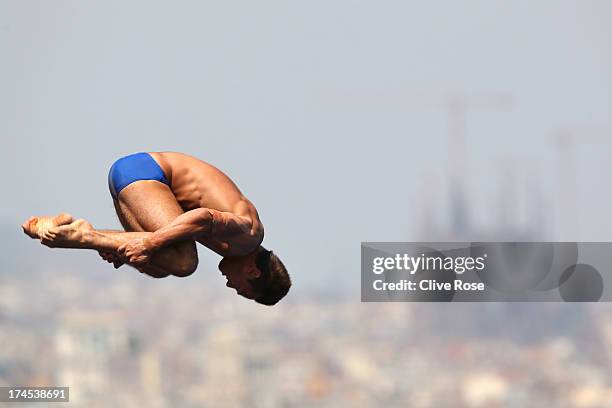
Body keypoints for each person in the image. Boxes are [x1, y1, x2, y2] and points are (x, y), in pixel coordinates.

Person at [22, 152, 291, 306]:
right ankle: (84, 235)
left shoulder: (237, 246)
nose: (231, 286)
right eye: (241, 289)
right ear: (253, 271)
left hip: (136, 175)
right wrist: (148, 244)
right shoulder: (249, 236)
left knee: (157, 268)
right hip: (147, 173)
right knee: (184, 263)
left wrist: (128, 249)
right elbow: (204, 216)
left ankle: (76, 230)